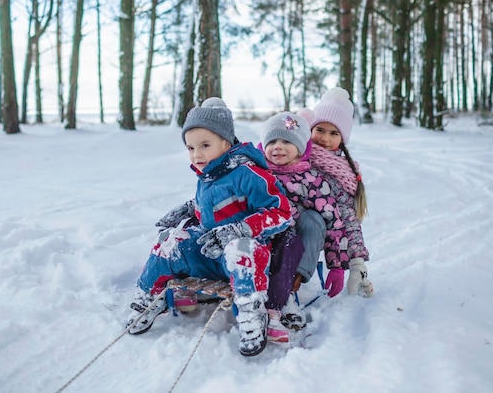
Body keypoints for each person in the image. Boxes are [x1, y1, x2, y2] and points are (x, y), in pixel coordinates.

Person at [126, 97, 293, 357]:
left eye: (205, 145)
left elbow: (282, 212)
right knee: (171, 239)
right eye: (191, 148)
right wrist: (190, 208)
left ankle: (252, 313)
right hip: (211, 255)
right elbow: (213, 208)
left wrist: (240, 230)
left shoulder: (248, 174)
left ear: (226, 144)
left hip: (246, 261)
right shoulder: (206, 175)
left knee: (240, 249)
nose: (197, 154)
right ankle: (150, 298)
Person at [259, 111, 351, 328]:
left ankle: (289, 293)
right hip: (263, 236)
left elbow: (334, 222)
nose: (278, 146)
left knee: (314, 219)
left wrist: (337, 266)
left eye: (286, 141)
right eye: (271, 141)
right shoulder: (257, 173)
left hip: (297, 243)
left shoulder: (312, 181)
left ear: (301, 149)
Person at [300, 87, 374, 298]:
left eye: (334, 133)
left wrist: (356, 263)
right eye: (320, 129)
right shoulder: (293, 155)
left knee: (313, 219)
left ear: (343, 139)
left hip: (322, 231)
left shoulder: (340, 174)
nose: (325, 138)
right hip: (287, 225)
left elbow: (348, 220)